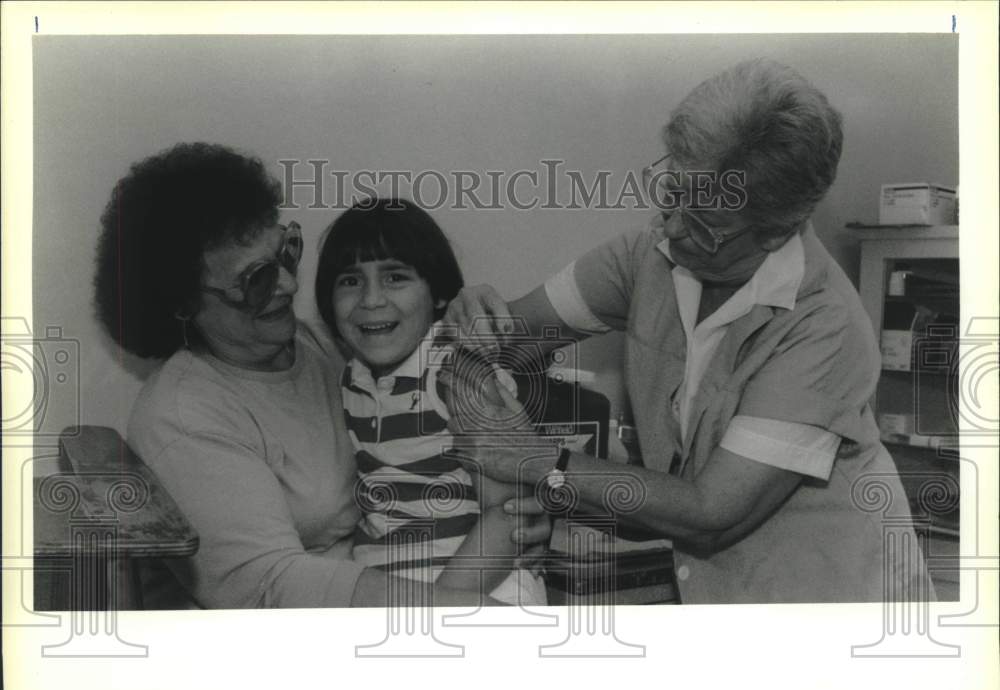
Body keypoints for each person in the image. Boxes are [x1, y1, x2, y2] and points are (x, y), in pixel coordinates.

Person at [443, 59, 934, 604]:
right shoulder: (644, 258)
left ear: (775, 232)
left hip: (830, 599)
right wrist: (471, 322)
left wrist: (533, 460)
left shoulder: (825, 326)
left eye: (704, 224)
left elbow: (710, 514)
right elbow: (497, 337)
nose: (671, 227)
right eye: (672, 193)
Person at [94, 142, 548, 608]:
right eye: (256, 281)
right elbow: (269, 586)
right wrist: (454, 610)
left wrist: (463, 307)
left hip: (426, 585)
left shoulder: (330, 349)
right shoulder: (183, 416)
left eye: (287, 253)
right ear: (183, 303)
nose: (290, 285)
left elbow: (451, 382)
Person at [315, 197, 546, 604]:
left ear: (439, 295)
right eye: (350, 281)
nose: (371, 300)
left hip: (480, 584)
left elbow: (508, 509)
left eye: (395, 278)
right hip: (391, 591)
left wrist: (439, 603)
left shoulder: (457, 369)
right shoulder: (352, 378)